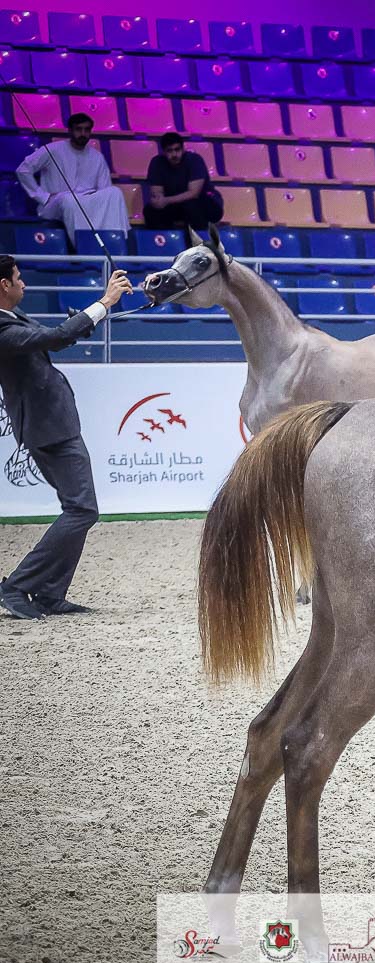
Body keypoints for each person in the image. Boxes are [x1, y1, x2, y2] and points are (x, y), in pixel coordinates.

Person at [0, 255, 132, 619]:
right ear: (4, 285)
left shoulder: (13, 317)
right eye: (18, 278)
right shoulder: (2, 327)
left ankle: (49, 594)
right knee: (82, 510)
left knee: (79, 509)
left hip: (54, 424)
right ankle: (16, 586)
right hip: (48, 427)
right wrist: (104, 302)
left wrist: (88, 319)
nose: (24, 283)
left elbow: (56, 335)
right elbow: (55, 337)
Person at [15, 113, 130, 250]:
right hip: (55, 202)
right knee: (69, 200)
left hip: (87, 201)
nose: (83, 134)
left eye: (87, 130)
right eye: (78, 129)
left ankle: (114, 245)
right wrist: (42, 196)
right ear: (70, 130)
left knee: (115, 192)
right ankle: (84, 248)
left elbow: (103, 189)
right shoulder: (53, 149)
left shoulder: (97, 156)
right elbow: (23, 170)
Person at [144, 131, 223, 231]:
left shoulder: (194, 160)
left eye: (177, 149)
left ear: (183, 149)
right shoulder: (157, 163)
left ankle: (196, 240)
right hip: (175, 205)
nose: (174, 154)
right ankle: (166, 239)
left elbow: (194, 193)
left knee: (191, 206)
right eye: (169, 151)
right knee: (150, 211)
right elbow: (157, 194)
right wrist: (158, 201)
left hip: (204, 203)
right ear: (163, 152)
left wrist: (166, 200)